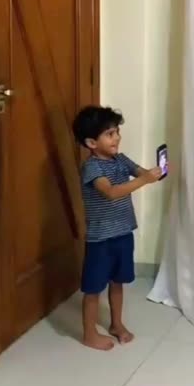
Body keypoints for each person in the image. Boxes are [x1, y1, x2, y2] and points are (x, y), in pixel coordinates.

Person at [72, 105, 164, 351]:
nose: (117, 138)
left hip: (123, 233)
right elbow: (111, 192)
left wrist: (153, 173)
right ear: (92, 142)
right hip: (101, 239)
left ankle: (116, 324)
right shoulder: (92, 168)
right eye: (110, 134)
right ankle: (89, 334)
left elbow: (141, 172)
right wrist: (144, 180)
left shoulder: (120, 160)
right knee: (93, 289)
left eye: (117, 132)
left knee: (118, 281)